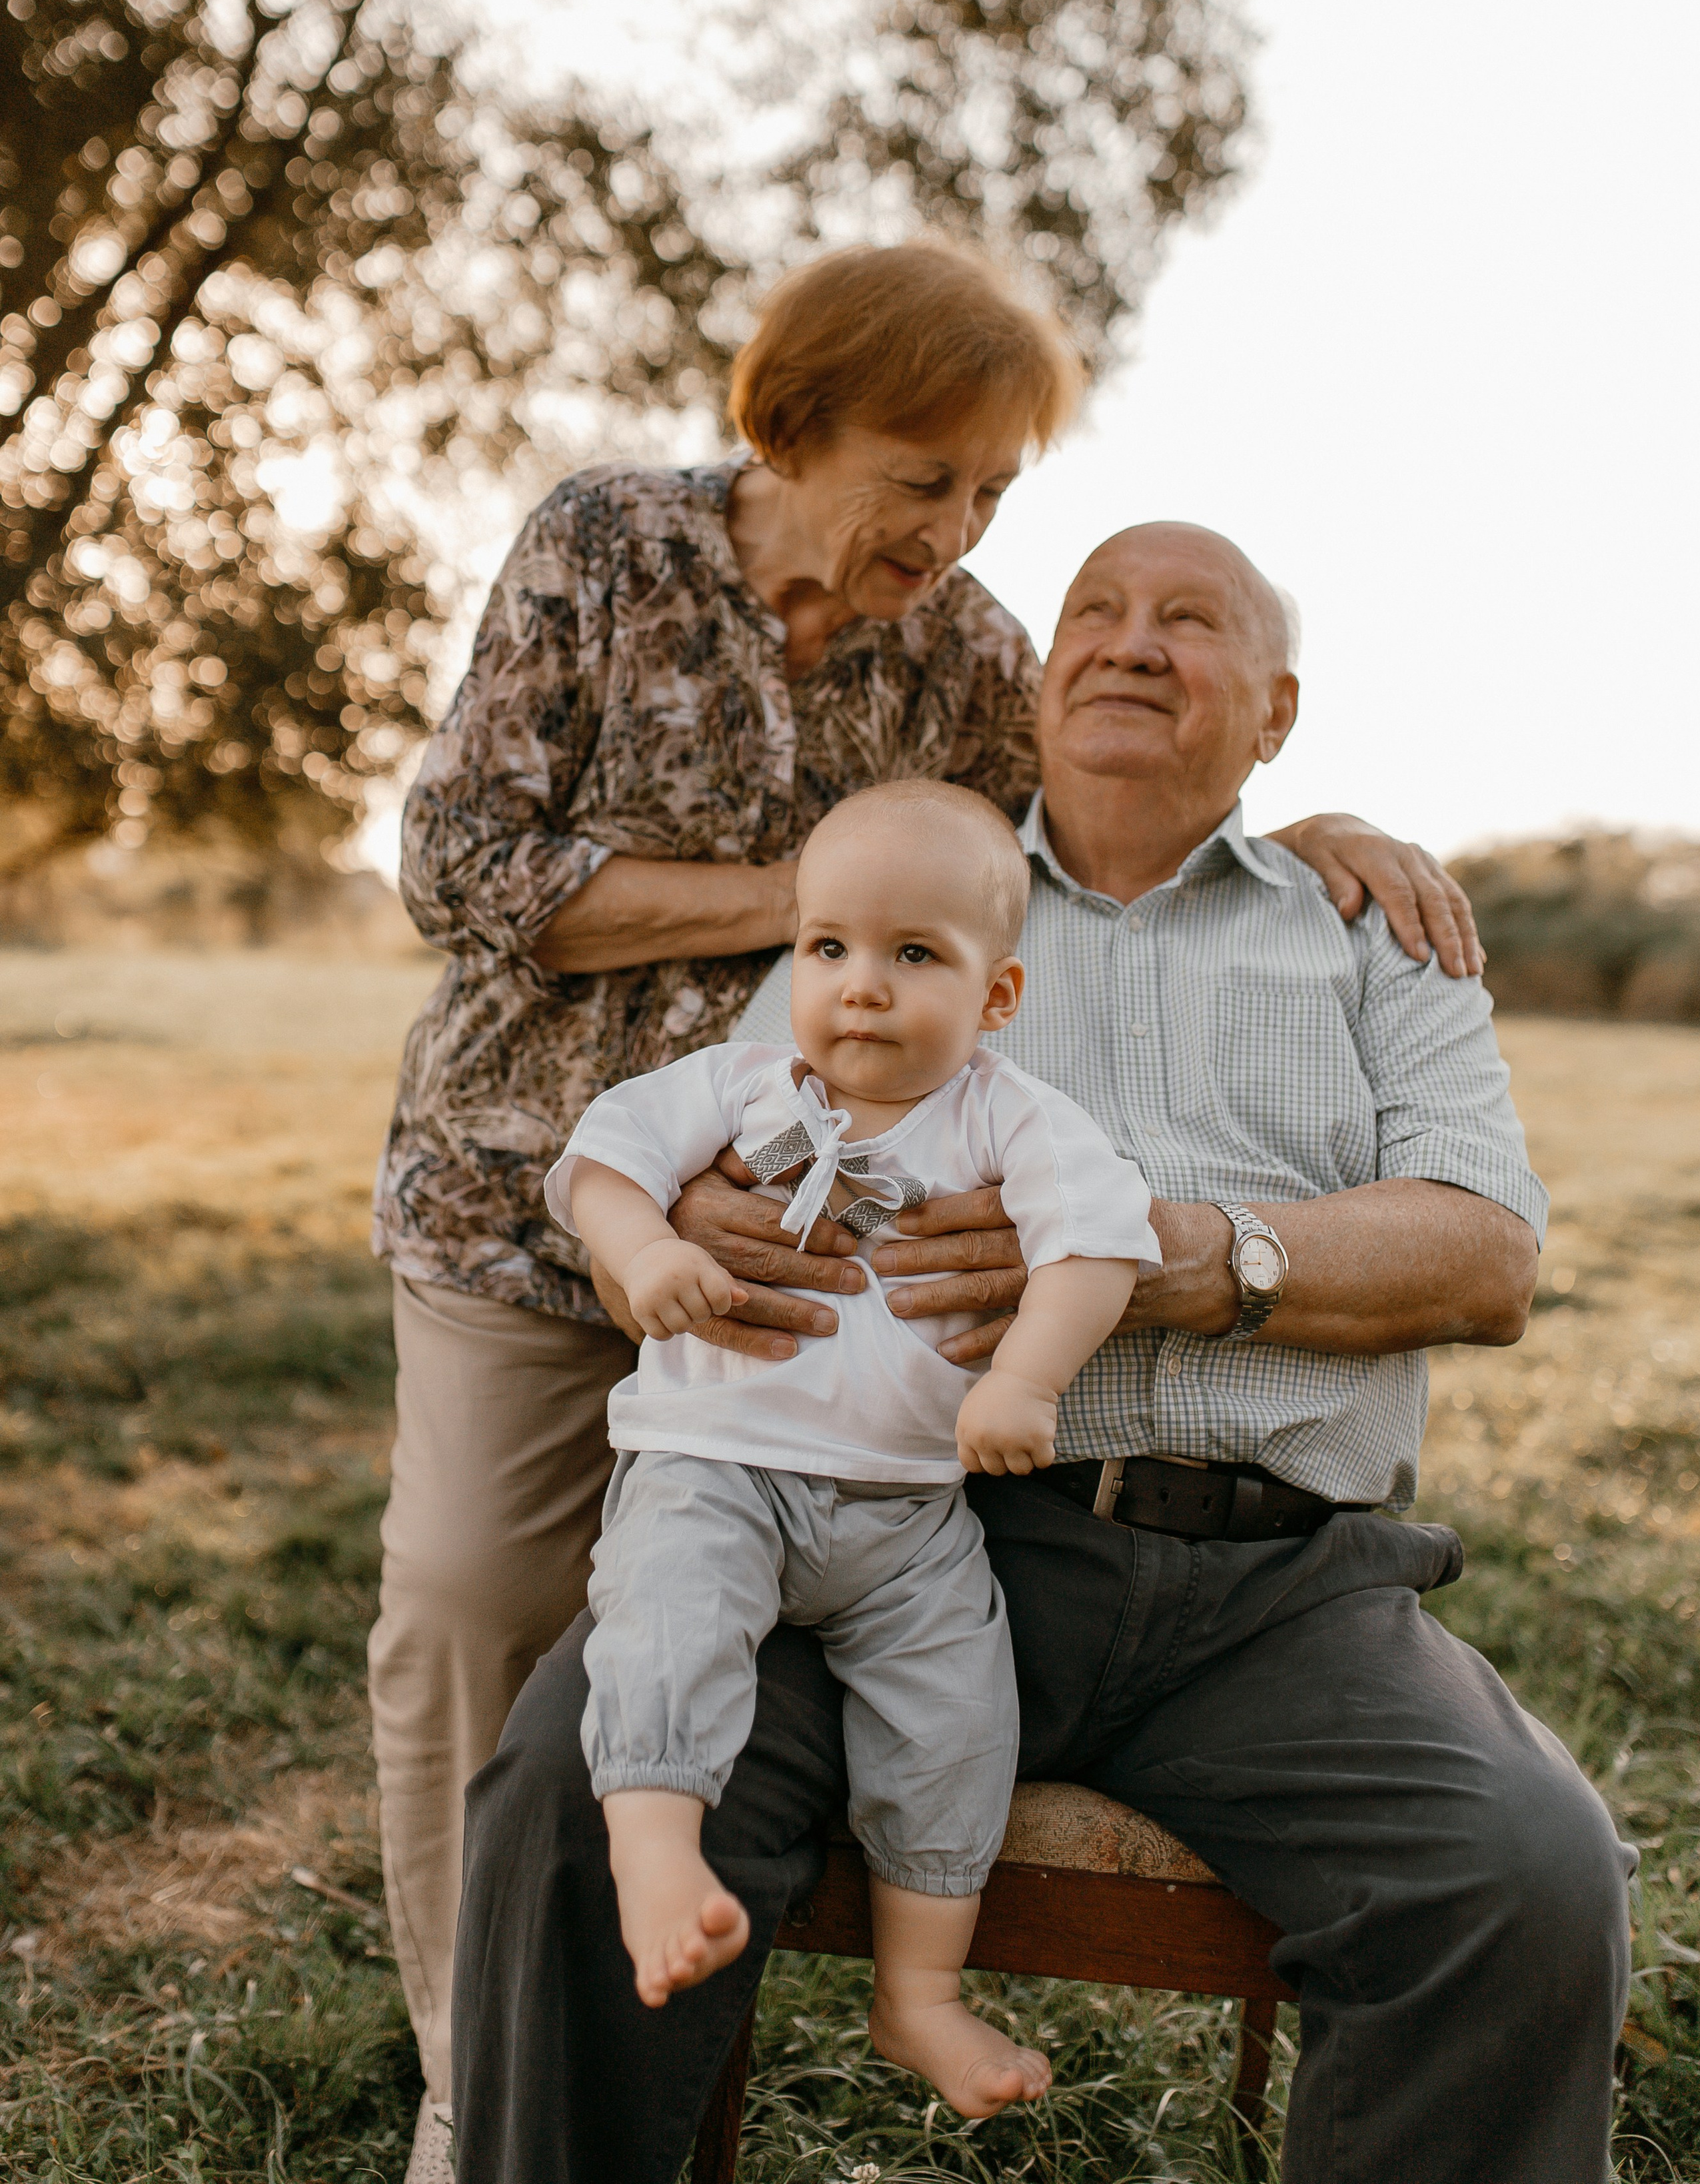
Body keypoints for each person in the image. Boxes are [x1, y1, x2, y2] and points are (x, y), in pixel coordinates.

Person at [368, 235, 1488, 2181]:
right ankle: (476, 2084)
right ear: (795, 429)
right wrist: (818, 910)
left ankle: (781, 1977)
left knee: (694, 1612)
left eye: (989, 493)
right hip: (543, 1187)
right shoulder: (609, 545)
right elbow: (464, 865)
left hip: (815, 1271)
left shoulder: (968, 649)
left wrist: (1299, 826)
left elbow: (1108, 806)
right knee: (480, 1608)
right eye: (921, 478)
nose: (955, 530)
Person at [556, 780, 1158, 2113]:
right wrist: (645, 1249)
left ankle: (919, 1995)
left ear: (997, 995)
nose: (861, 987)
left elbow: (1098, 1244)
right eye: (828, 947)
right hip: (715, 1467)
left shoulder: (1004, 1115)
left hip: (908, 1517)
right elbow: (603, 1159)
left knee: (957, 1721)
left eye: (914, 954)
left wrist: (1025, 1378)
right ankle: (655, 1854)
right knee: (667, 1620)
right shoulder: (742, 1087)